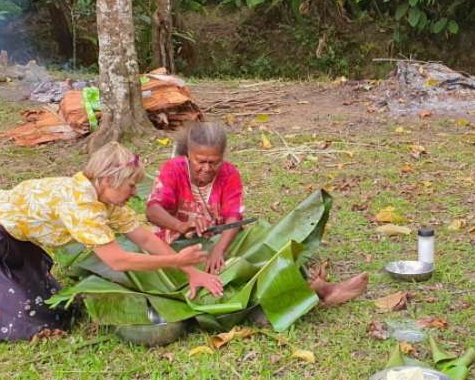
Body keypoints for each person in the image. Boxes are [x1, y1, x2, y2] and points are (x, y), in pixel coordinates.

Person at [0, 142, 222, 341]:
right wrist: (176, 259)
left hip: (19, 237)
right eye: (130, 186)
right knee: (7, 318)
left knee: (55, 311)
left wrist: (190, 272)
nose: (134, 193)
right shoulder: (81, 205)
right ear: (107, 180)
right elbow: (118, 261)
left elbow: (143, 237)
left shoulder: (106, 197)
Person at [146, 122, 369, 304]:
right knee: (237, 269)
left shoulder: (229, 173)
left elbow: (234, 217)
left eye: (214, 162)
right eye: (200, 161)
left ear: (222, 157)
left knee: (268, 238)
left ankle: (323, 289)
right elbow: (152, 210)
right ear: (189, 155)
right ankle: (308, 291)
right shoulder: (173, 169)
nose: (206, 168)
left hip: (217, 242)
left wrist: (219, 250)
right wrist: (181, 226)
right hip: (178, 248)